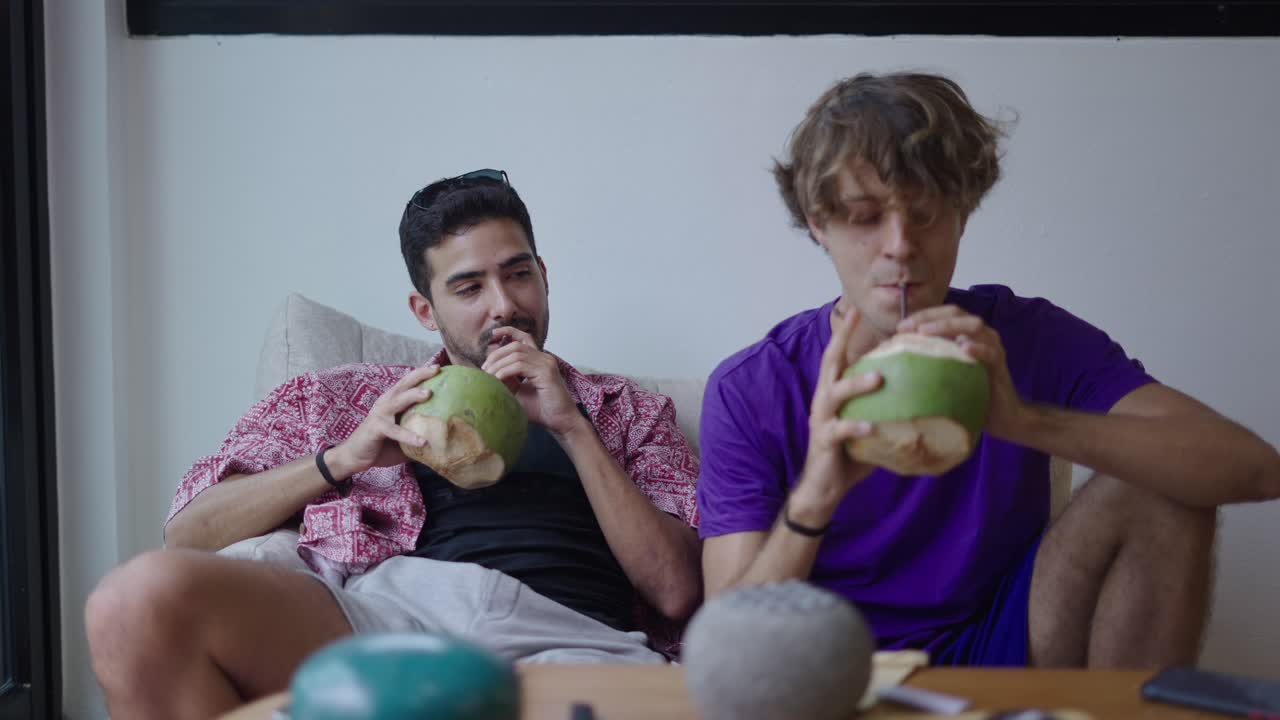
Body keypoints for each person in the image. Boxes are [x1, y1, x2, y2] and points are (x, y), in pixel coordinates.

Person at [696, 72, 1280, 668]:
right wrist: (815, 498)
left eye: (925, 212)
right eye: (864, 216)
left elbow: (1257, 471)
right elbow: (726, 646)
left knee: (1161, 483)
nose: (899, 244)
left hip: (1004, 646)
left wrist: (1025, 421)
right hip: (828, 669)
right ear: (819, 224)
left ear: (962, 216)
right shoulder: (753, 387)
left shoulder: (1026, 338)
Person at [85, 169, 703, 719]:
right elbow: (188, 535)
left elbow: (676, 589)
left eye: (519, 275)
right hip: (391, 624)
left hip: (570, 639)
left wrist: (573, 427)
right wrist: (343, 457)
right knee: (135, 603)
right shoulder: (341, 399)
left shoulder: (627, 411)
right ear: (424, 309)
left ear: (544, 277)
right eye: (468, 289)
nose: (504, 305)